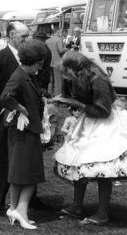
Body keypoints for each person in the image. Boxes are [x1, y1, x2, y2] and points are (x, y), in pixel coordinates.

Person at [52, 51, 127, 225]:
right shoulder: (79, 76)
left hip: (106, 123)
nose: (65, 77)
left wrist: (76, 104)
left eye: (66, 72)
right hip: (89, 120)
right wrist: (64, 99)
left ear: (74, 68)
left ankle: (102, 213)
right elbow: (79, 98)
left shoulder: (97, 79)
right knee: (79, 161)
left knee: (102, 165)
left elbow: (103, 111)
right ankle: (77, 206)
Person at [0, 21, 30, 217]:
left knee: (27, 157)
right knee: (4, 159)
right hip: (6, 116)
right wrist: (5, 109)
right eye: (23, 37)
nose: (27, 41)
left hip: (28, 115)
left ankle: (28, 200)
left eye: (28, 37)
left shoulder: (30, 57)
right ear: (11, 35)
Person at [1, 39, 47, 230]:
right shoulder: (19, 76)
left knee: (19, 173)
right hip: (24, 131)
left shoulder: (26, 75)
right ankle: (22, 211)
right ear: (33, 61)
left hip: (25, 131)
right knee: (31, 174)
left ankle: (14, 208)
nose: (41, 66)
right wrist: (22, 109)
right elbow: (5, 96)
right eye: (40, 63)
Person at [46, 28, 68, 96]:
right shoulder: (59, 39)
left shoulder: (48, 40)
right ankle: (58, 97)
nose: (61, 33)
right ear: (58, 32)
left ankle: (50, 94)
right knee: (58, 82)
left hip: (49, 62)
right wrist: (67, 49)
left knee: (51, 81)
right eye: (61, 32)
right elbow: (60, 51)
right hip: (57, 63)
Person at [33, 30, 52, 97]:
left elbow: (40, 65)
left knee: (41, 96)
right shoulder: (45, 48)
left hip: (41, 77)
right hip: (44, 76)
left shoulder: (43, 49)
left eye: (36, 38)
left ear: (38, 39)